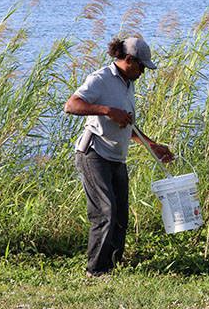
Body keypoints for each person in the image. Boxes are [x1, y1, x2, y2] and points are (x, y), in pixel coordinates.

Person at [64, 37, 174, 277]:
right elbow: (71, 105)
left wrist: (152, 145)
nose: (144, 71)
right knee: (106, 211)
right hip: (94, 153)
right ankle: (95, 271)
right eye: (142, 66)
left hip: (116, 157)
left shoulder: (127, 82)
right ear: (128, 60)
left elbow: (127, 124)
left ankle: (113, 266)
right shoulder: (100, 79)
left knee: (121, 215)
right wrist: (106, 110)